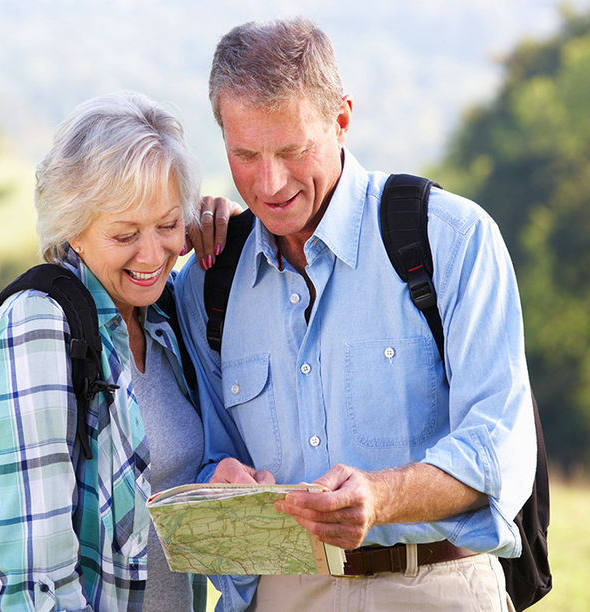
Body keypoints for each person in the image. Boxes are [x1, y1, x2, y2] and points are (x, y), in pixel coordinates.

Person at [174, 17, 537, 612]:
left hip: (436, 587)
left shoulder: (450, 239)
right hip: (282, 592)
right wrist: (220, 482)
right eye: (245, 154)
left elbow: (499, 447)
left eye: (292, 150)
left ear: (341, 119)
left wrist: (382, 496)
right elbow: (204, 451)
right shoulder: (208, 282)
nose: (269, 183)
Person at [0, 90, 236, 612]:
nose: (151, 255)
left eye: (168, 225)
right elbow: (35, 586)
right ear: (73, 229)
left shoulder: (162, 319)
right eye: (125, 235)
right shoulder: (38, 330)